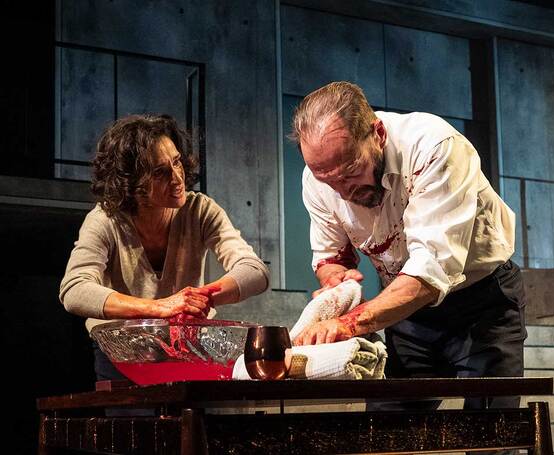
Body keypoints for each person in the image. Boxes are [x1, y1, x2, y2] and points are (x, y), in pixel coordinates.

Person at [291, 81, 525, 411]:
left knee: (492, 432)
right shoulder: (317, 178)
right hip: (405, 312)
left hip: (482, 301)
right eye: (328, 181)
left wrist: (347, 324)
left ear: (378, 135)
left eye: (352, 173)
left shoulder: (434, 146)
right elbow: (332, 257)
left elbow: (430, 271)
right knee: (388, 429)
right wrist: (336, 283)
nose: (342, 192)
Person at [60, 114, 270, 381]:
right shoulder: (105, 220)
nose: (177, 177)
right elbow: (74, 290)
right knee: (132, 423)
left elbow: (254, 271)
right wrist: (160, 307)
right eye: (160, 172)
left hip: (186, 346)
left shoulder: (200, 210)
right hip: (122, 354)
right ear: (131, 182)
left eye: (177, 162)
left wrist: (200, 297)